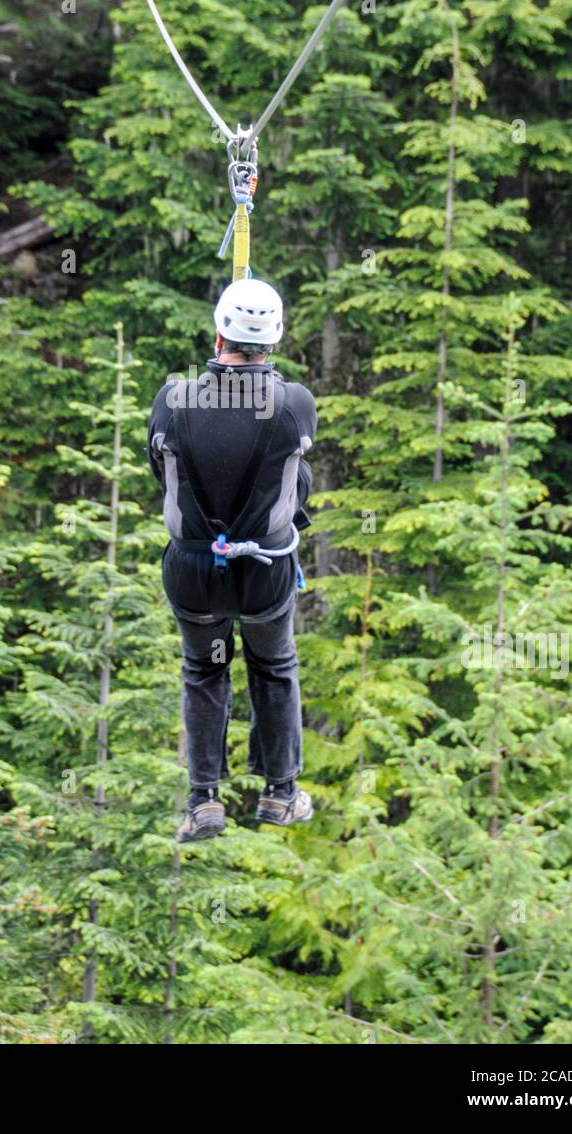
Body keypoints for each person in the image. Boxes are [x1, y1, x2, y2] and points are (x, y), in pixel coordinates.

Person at [147, 278, 318, 842]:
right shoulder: (294, 404)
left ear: (219, 332)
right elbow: (297, 479)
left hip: (197, 570)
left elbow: (163, 472)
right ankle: (280, 792)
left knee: (206, 669)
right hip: (264, 570)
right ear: (275, 337)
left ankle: (204, 802)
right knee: (272, 667)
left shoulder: (173, 400)